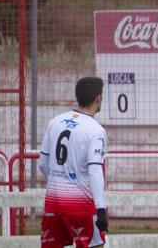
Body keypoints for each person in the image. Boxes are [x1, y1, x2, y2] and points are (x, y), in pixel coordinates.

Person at [38, 77, 108, 248]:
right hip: (80, 206)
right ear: (98, 98)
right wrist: (101, 209)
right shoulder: (95, 130)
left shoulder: (55, 122)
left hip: (53, 203)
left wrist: (59, 181)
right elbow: (95, 171)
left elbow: (42, 163)